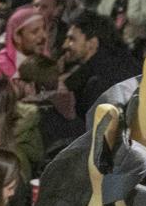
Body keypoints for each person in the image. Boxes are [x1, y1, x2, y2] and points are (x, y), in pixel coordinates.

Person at [50, 11, 140, 140]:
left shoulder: (100, 82)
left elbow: (95, 136)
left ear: (92, 43)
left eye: (72, 39)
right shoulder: (123, 62)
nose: (65, 45)